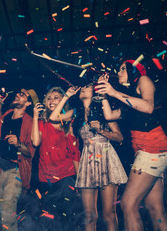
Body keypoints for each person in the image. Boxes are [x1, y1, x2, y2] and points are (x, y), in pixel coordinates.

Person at [96, 60, 167, 231]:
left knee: (128, 205)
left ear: (134, 70)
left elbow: (149, 107)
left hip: (151, 149)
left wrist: (113, 92)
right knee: (155, 208)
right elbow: (109, 116)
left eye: (123, 68)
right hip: (152, 152)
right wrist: (103, 94)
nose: (119, 72)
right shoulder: (129, 98)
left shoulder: (143, 80)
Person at [66, 84, 127, 231]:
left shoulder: (103, 111)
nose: (83, 88)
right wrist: (66, 95)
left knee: (108, 213)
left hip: (106, 157)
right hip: (88, 160)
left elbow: (119, 137)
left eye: (87, 86)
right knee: (89, 215)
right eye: (82, 87)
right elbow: (54, 117)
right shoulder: (76, 114)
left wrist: (100, 130)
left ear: (94, 92)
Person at [0, 88, 38, 231]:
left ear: (28, 103)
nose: (17, 94)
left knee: (8, 211)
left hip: (16, 171)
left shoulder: (29, 121)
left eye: (22, 95)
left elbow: (30, 153)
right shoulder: (8, 114)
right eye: (18, 93)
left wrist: (18, 144)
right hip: (0, 169)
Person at [31, 86, 81, 231]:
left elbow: (74, 152)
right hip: (45, 177)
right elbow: (35, 142)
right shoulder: (42, 121)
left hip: (66, 175)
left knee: (65, 217)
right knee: (47, 217)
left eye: (56, 97)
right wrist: (35, 117)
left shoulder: (69, 119)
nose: (51, 100)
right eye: (49, 98)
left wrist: (78, 178)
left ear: (62, 101)